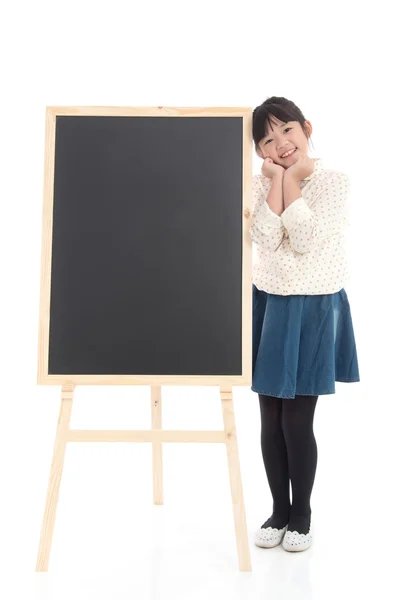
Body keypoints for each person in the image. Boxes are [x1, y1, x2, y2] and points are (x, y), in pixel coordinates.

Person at [250, 96, 360, 552]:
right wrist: (277, 182)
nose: (281, 145)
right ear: (260, 152)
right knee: (269, 417)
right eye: (268, 142)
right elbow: (265, 238)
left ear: (306, 128)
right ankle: (277, 510)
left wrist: (292, 179)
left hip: (314, 306)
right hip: (271, 305)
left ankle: (302, 515)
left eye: (287, 132)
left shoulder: (333, 182)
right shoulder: (262, 185)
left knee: (298, 419)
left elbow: (307, 239)